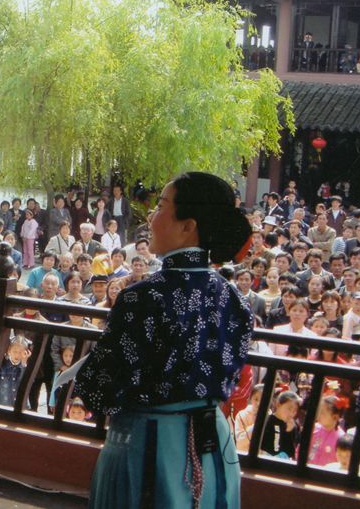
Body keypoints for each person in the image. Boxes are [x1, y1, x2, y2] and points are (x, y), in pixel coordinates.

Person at [75, 171, 253, 508]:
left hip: (152, 446)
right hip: (214, 444)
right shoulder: (234, 298)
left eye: (161, 206)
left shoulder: (142, 297)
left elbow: (99, 388)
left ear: (189, 226)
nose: (152, 217)